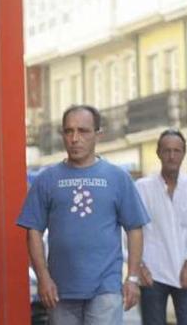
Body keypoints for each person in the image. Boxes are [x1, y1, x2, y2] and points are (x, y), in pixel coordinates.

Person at [17, 104, 150, 325]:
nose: (75, 138)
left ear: (98, 134)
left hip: (105, 289)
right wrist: (43, 278)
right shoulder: (47, 179)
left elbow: (135, 228)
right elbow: (33, 231)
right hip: (59, 290)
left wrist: (133, 278)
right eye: (69, 131)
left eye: (83, 131)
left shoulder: (117, 178)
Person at [135, 129, 187, 325]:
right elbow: (133, 231)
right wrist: (139, 266)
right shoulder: (142, 188)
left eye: (177, 150)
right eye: (167, 151)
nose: (172, 156)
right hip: (153, 274)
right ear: (158, 153)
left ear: (184, 153)